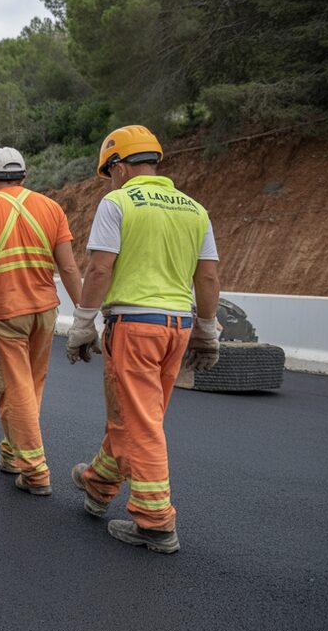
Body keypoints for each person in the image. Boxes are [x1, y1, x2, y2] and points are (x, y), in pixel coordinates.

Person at [65, 125, 221, 555]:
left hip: (134, 326)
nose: (109, 179)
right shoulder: (194, 209)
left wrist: (81, 324)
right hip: (178, 326)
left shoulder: (117, 202)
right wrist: (207, 330)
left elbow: (99, 270)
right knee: (138, 414)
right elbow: (207, 276)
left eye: (108, 170)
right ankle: (98, 484)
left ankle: (155, 522)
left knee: (143, 423)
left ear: (119, 166)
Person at [0, 147, 84, 496]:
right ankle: (12, 453)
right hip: (44, 311)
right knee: (30, 386)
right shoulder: (51, 208)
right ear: (24, 177)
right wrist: (85, 314)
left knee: (14, 389)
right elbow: (70, 268)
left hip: (6, 314)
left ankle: (35, 471)